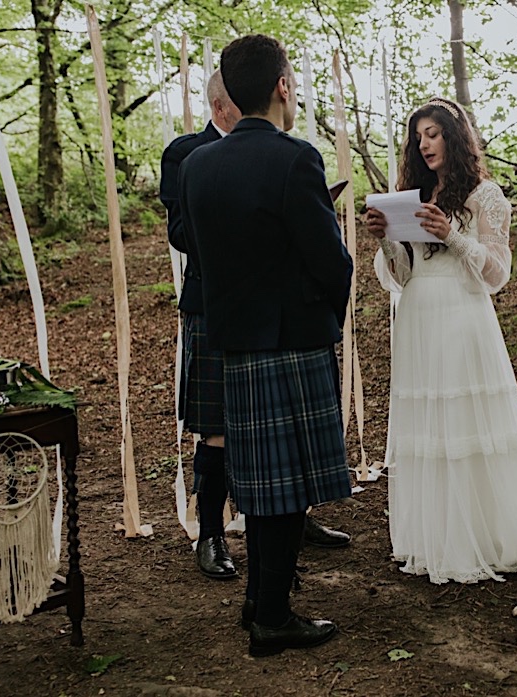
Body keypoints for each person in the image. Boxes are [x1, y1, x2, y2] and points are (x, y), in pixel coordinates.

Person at [364, 97, 517, 584]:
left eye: (433, 134)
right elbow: (401, 275)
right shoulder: (413, 192)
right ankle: (436, 536)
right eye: (418, 136)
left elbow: (497, 273)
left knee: (467, 422)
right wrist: (385, 237)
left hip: (463, 315)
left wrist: (453, 236)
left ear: (454, 136)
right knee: (429, 426)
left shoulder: (485, 194)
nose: (424, 144)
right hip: (420, 313)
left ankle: (487, 534)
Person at [182, 35, 353, 657]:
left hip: (230, 342)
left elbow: (205, 257)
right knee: (284, 487)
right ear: (282, 86)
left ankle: (259, 600)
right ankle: (273, 617)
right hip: (290, 340)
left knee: (258, 481)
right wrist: (323, 319)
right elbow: (331, 263)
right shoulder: (295, 159)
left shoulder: (200, 165)